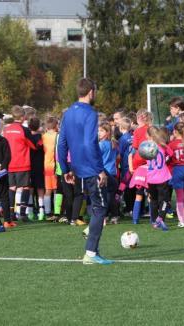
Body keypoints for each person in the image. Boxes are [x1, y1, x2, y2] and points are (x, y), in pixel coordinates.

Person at [58, 78, 113, 265]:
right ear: (91, 92)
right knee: (100, 208)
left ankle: (91, 241)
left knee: (94, 206)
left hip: (76, 168)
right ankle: (90, 253)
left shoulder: (68, 113)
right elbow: (90, 143)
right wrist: (100, 170)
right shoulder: (90, 113)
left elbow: (62, 142)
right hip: (91, 168)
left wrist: (65, 168)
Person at [2, 105, 36, 222]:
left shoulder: (6, 130)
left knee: (12, 188)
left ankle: (11, 214)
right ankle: (22, 213)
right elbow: (33, 145)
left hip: (9, 163)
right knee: (25, 187)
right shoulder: (24, 130)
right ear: (22, 117)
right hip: (22, 163)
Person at [145, 126, 173, 231]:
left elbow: (141, 156)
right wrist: (165, 159)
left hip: (151, 177)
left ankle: (154, 221)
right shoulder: (162, 145)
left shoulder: (146, 146)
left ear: (149, 136)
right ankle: (161, 218)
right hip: (162, 177)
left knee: (153, 200)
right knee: (164, 200)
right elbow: (171, 153)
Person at [169, 122, 184, 228]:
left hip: (177, 169)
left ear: (175, 131)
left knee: (180, 196)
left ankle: (182, 220)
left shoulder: (172, 144)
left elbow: (168, 157)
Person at [98, 121, 119, 224]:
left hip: (104, 173)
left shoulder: (101, 145)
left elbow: (96, 158)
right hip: (113, 172)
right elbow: (118, 156)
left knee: (104, 196)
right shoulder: (113, 143)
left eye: (101, 131)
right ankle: (115, 216)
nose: (99, 133)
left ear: (107, 132)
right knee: (111, 196)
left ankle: (104, 216)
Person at [27, 116, 46, 221]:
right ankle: (41, 211)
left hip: (29, 165)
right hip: (39, 165)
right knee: (40, 188)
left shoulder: (27, 137)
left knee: (30, 188)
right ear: (39, 126)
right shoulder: (41, 137)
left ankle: (30, 212)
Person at [116, 117, 134, 217]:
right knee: (133, 187)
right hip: (133, 165)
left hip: (126, 166)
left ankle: (128, 208)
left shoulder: (122, 139)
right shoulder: (133, 136)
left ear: (120, 127)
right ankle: (135, 208)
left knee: (126, 187)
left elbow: (120, 153)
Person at [43, 116, 59, 220]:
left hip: (46, 166)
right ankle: (57, 212)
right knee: (56, 190)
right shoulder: (58, 135)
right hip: (56, 165)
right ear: (56, 125)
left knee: (48, 190)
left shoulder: (43, 136)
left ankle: (47, 212)